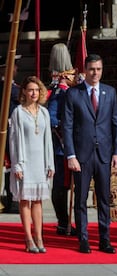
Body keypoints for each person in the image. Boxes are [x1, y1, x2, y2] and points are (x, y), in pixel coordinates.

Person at [63, 54, 117, 254]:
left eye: (98, 69)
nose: (95, 73)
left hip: (104, 154)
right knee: (81, 199)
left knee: (104, 199)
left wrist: (116, 151)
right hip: (82, 155)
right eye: (91, 69)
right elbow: (67, 127)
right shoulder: (73, 94)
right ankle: (83, 238)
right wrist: (70, 155)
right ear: (84, 71)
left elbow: (116, 123)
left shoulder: (110, 92)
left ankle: (105, 239)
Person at [8, 76, 55, 253]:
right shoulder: (18, 112)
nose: (34, 93)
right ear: (24, 92)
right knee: (25, 200)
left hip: (40, 163)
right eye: (30, 90)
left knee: (38, 201)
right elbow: (13, 141)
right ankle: (28, 239)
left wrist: (50, 164)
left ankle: (39, 237)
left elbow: (48, 140)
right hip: (24, 162)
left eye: (36, 90)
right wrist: (16, 165)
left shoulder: (44, 112)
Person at [47, 43, 78, 236]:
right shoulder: (60, 90)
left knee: (64, 185)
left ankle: (64, 221)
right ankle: (63, 222)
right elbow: (52, 117)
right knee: (61, 185)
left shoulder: (63, 87)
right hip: (62, 146)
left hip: (68, 144)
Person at [0, 54, 22, 214]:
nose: (16, 69)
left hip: (10, 132)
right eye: (13, 65)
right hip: (7, 133)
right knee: (11, 166)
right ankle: (12, 201)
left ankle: (12, 200)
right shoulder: (7, 88)